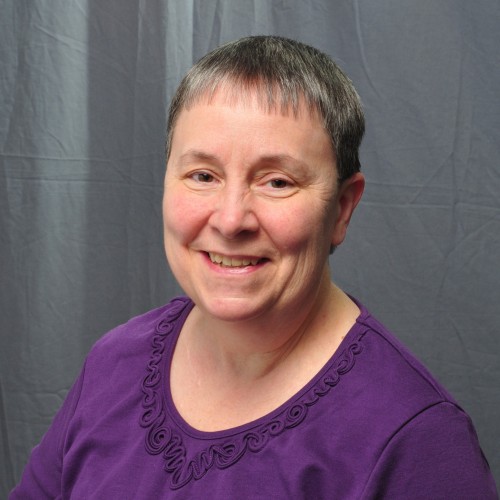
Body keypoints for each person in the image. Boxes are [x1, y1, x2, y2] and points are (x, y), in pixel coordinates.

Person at [11, 35, 497, 499]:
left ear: (342, 208)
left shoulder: (417, 439)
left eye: (277, 182)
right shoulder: (114, 363)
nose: (230, 220)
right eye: (203, 175)